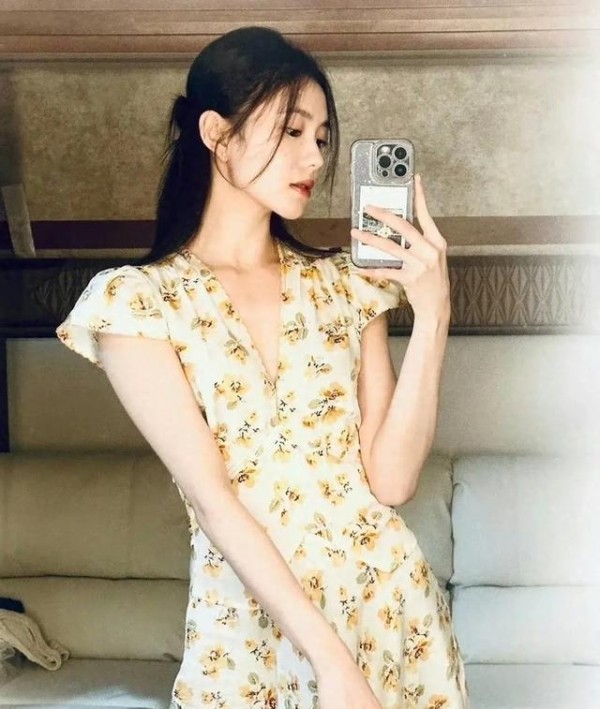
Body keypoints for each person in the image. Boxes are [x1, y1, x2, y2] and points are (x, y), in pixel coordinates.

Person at [56, 25, 469, 709]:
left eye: (323, 137)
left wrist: (434, 315)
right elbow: (214, 501)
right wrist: (333, 664)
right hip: (249, 637)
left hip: (391, 614)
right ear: (217, 134)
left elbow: (392, 480)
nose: (314, 156)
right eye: (292, 130)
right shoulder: (138, 303)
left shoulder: (348, 284)